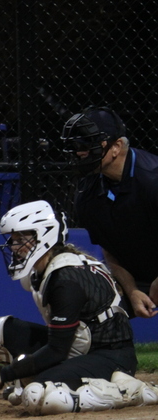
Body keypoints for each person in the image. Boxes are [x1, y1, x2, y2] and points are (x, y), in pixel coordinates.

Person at [0, 200, 158, 415]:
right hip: (79, 345)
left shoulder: (65, 279)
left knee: (40, 395)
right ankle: (32, 380)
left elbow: (57, 350)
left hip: (110, 357)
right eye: (13, 240)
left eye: (21, 239)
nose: (13, 247)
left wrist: (2, 375)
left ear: (44, 237)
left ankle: (135, 391)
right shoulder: (44, 269)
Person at [61, 107, 158, 320]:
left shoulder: (152, 179)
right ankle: (113, 353)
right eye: (77, 145)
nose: (80, 152)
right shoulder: (87, 194)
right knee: (89, 308)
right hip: (139, 277)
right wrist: (131, 291)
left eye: (87, 143)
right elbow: (109, 249)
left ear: (117, 147)